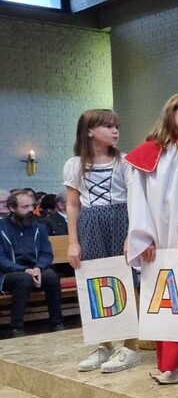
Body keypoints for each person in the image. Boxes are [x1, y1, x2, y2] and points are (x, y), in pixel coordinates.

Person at [124, 92, 178, 384]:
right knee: (166, 303)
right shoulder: (146, 152)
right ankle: (172, 363)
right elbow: (137, 199)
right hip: (159, 242)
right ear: (172, 110)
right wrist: (142, 237)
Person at [64, 108, 140, 373]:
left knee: (126, 280)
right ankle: (104, 344)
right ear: (89, 131)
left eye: (116, 126)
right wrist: (73, 242)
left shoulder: (125, 161)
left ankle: (130, 345)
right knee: (96, 281)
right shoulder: (74, 164)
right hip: (90, 223)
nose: (115, 131)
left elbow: (134, 200)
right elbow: (73, 204)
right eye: (108, 126)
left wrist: (132, 235)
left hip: (121, 219)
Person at [0, 190, 63, 338]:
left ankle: (57, 323)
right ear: (12, 208)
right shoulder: (1, 228)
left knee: (51, 277)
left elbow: (47, 253)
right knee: (24, 279)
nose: (31, 210)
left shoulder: (39, 226)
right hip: (8, 272)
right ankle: (17, 328)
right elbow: (1, 259)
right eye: (25, 206)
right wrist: (24, 269)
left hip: (35, 269)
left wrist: (38, 268)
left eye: (32, 205)